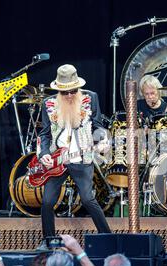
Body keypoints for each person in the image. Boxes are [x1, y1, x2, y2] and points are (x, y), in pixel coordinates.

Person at [37, 64, 111, 248]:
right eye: (65, 92)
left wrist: (101, 139)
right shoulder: (48, 104)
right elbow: (44, 133)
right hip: (58, 160)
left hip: (82, 158)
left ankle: (108, 237)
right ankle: (48, 240)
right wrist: (44, 153)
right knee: (47, 202)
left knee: (87, 199)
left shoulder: (90, 98)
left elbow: (98, 125)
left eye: (73, 90)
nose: (69, 95)